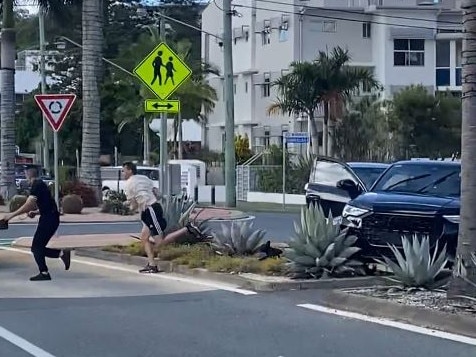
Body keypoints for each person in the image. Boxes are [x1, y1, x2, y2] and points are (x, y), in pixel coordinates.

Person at [122, 162, 208, 273]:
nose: (123, 173)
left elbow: (133, 204)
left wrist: (128, 208)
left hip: (150, 210)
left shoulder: (128, 184)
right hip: (151, 209)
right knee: (144, 238)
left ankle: (187, 228)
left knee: (160, 242)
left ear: (129, 170)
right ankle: (152, 264)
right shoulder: (144, 178)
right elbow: (156, 192)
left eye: (124, 170)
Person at [1, 167, 71, 281]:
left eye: (25, 172)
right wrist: (36, 212)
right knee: (37, 247)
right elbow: (46, 204)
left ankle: (45, 272)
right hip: (50, 217)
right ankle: (61, 255)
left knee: (36, 248)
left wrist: (11, 215)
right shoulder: (40, 184)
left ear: (28, 173)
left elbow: (29, 204)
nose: (25, 175)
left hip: (49, 219)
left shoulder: (36, 185)